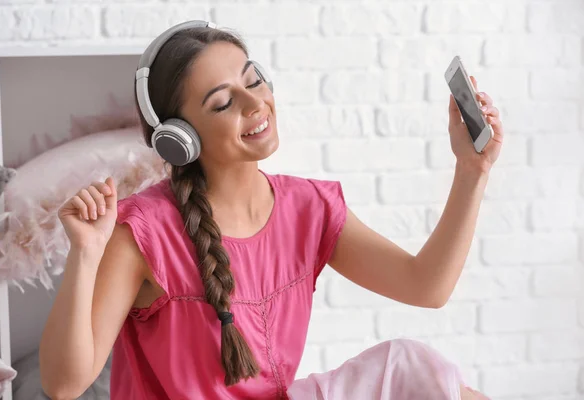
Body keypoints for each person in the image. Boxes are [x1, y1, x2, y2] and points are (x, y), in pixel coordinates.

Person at [39, 20, 503, 400]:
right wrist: (86, 252)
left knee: (411, 368)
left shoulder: (309, 208)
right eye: (223, 102)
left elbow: (427, 286)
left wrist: (471, 169)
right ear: (180, 140)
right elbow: (63, 385)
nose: (255, 102)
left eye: (253, 80)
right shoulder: (144, 233)